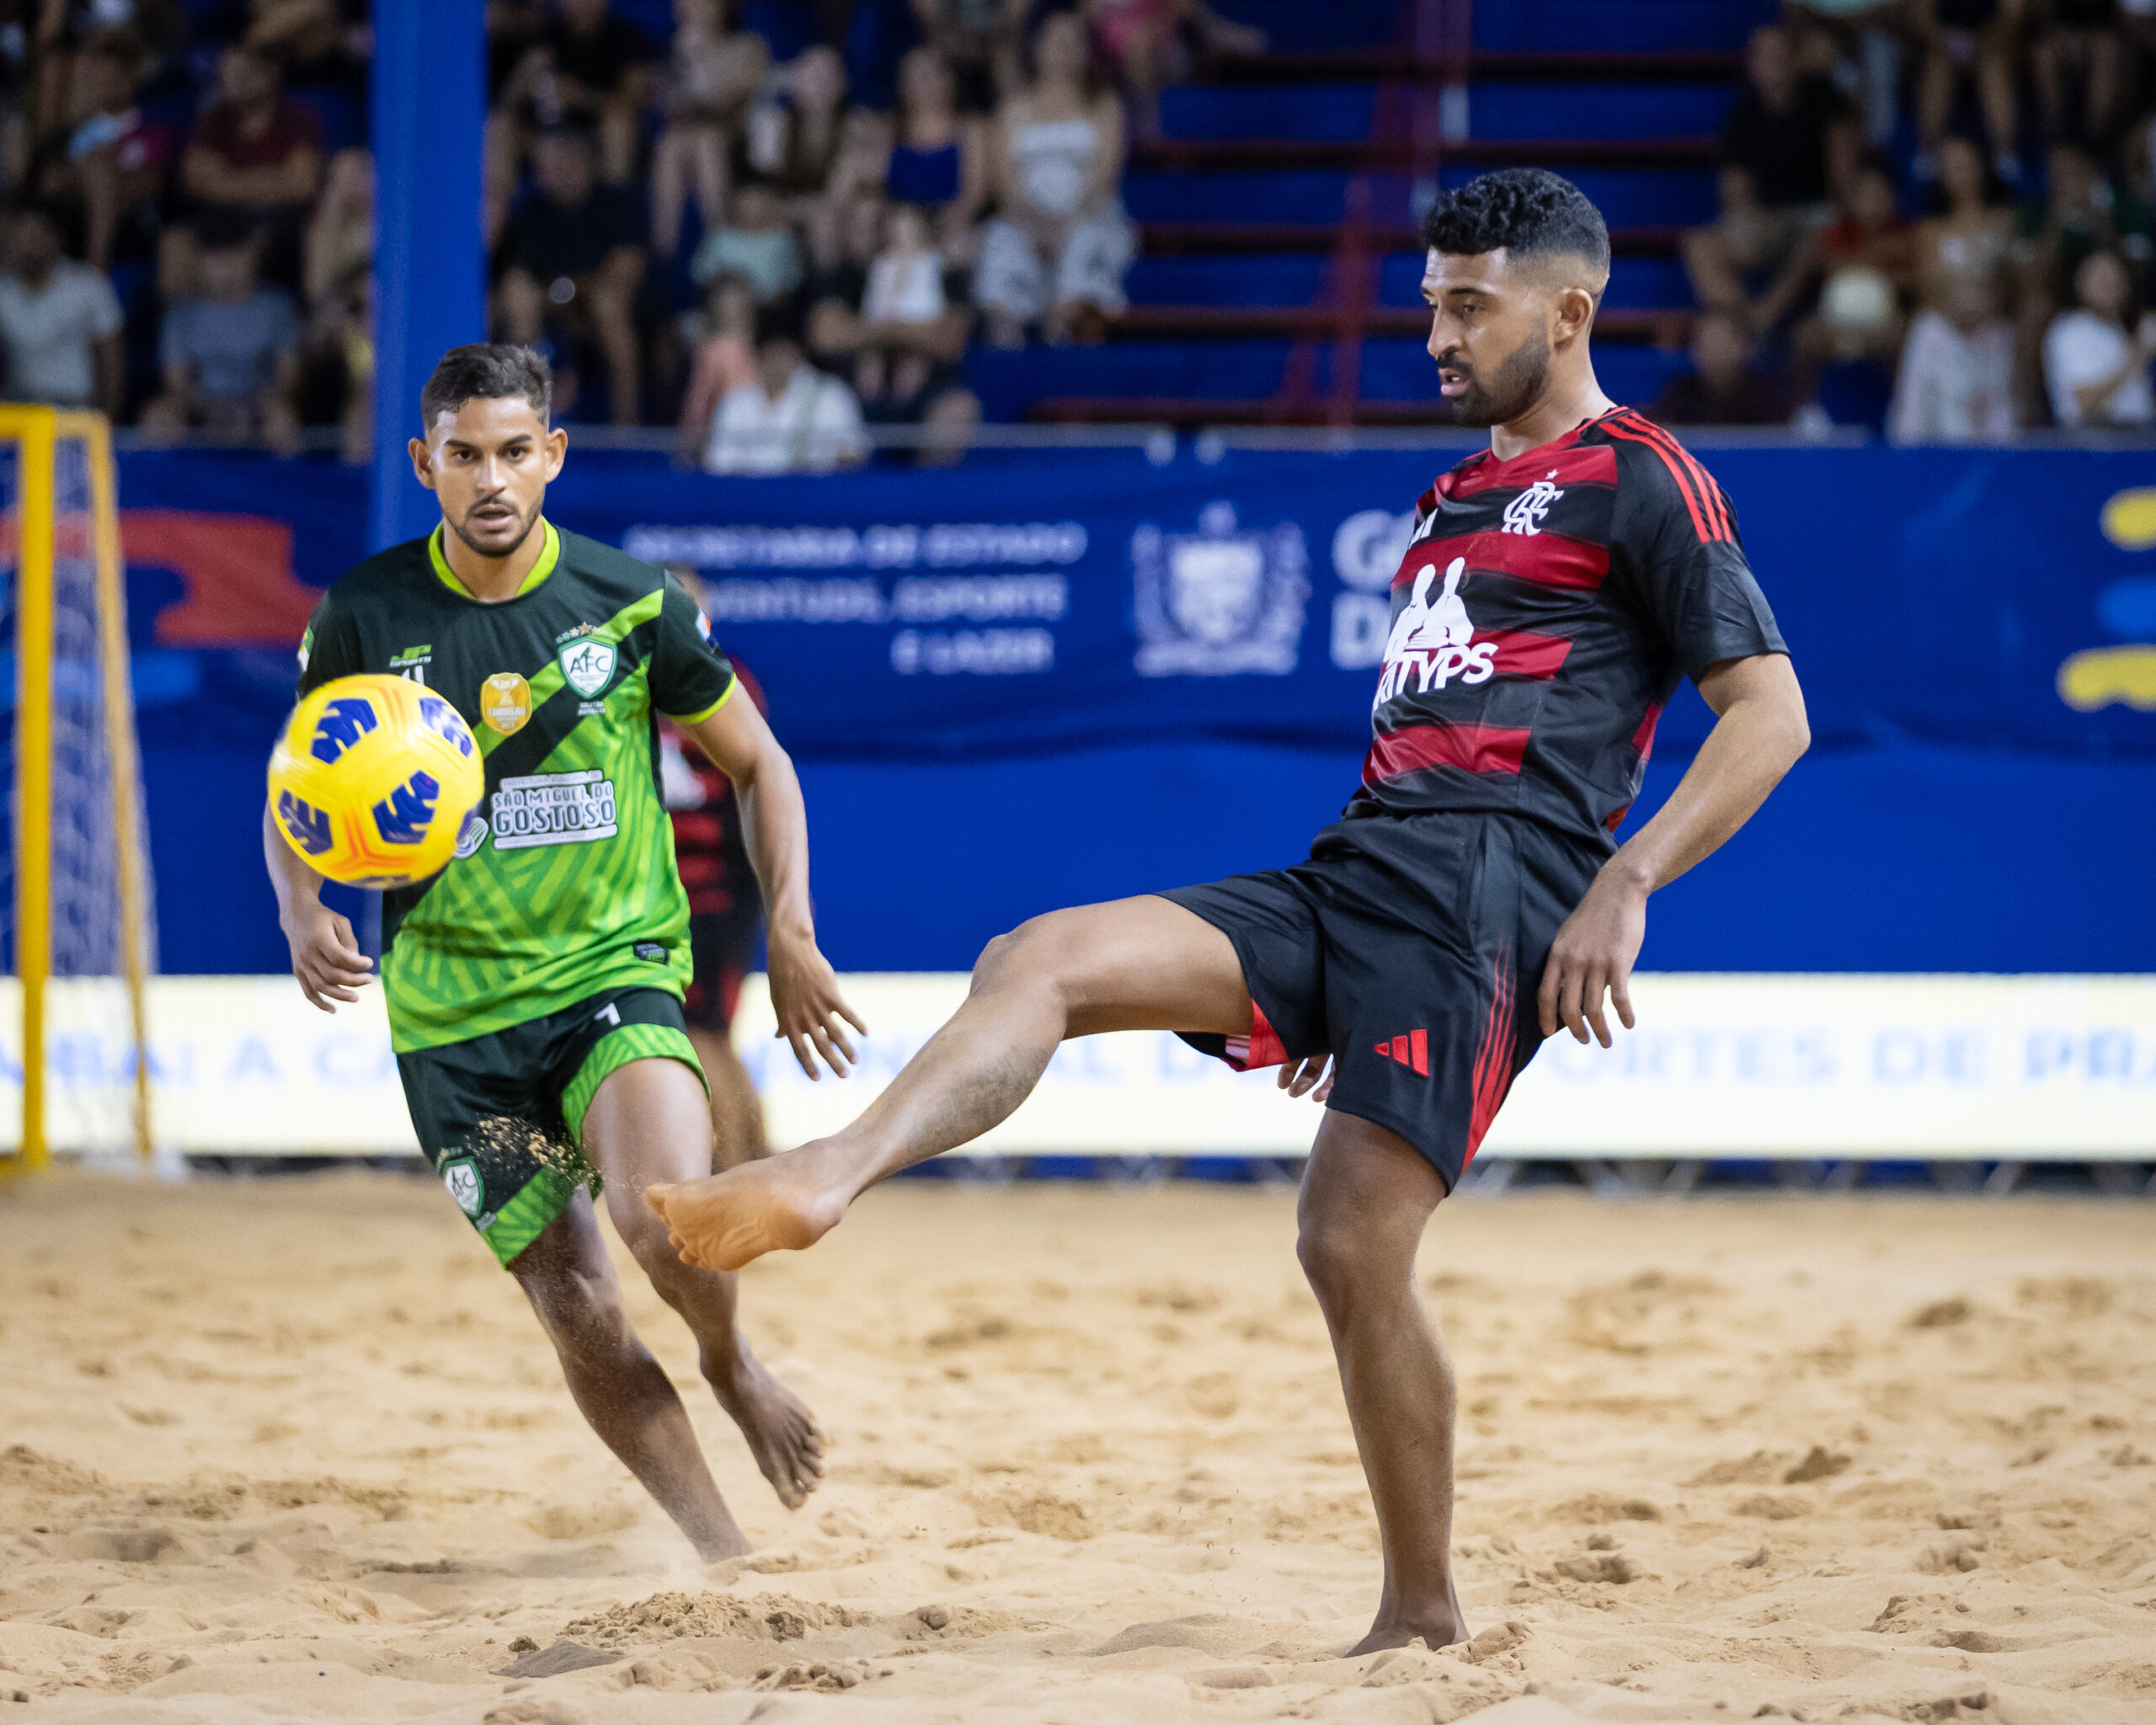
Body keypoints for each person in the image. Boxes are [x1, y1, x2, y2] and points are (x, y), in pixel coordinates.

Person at [647, 168, 1811, 1652]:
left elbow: (1771, 715)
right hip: (1364, 871)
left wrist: (1625, 881)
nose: (1438, 337)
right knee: (1038, 957)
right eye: (1430, 305)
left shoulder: (1644, 474)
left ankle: (1422, 1615)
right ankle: (831, 1171)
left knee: (1348, 1244)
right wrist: (1342, 983)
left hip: (1491, 892)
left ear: (1570, 312)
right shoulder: (1451, 495)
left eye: (1470, 307)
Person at [266, 344, 857, 1559]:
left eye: (515, 451)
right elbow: (299, 787)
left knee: (664, 1216)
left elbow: (761, 762)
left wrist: (791, 927)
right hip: (454, 1026)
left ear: (554, 456)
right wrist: (299, 904)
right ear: (424, 463)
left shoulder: (631, 601)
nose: (492, 478)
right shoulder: (364, 613)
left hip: (610, 975)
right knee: (577, 1305)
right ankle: (724, 1560)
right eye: (465, 455)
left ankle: (729, 1358)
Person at [659, 653, 773, 1162]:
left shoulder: (725, 682)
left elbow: (759, 785)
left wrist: (775, 894)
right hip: (669, 901)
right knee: (710, 1038)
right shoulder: (627, 675)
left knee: (703, 1035)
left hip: (714, 898)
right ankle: (755, 1170)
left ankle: (737, 1173)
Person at [973, 9, 1136, 347]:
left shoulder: (1105, 105)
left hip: (1088, 212)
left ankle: (1065, 338)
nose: (1066, 49)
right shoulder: (1012, 109)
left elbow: (1104, 178)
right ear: (1037, 46)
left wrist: (1066, 224)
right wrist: (1035, 224)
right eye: (1057, 40)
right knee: (1002, 245)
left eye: (1075, 41)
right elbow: (1005, 185)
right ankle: (1008, 351)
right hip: (1025, 216)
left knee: (1085, 242)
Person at [495, 127, 648, 425]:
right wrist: (556, 296)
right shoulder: (535, 212)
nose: (563, 170)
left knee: (607, 304)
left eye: (571, 160)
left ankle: (626, 424)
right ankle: (517, 415)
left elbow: (628, 271)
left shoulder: (615, 203)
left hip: (607, 308)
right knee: (517, 293)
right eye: (554, 163)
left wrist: (572, 290)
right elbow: (522, 273)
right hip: (553, 310)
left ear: (588, 161)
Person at [141, 222, 302, 450]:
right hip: (199, 409)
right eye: (216, 257)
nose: (226, 265)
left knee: (282, 420)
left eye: (235, 255)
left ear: (252, 256)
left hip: (258, 407)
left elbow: (288, 375)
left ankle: (282, 475)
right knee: (158, 418)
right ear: (201, 260)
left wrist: (251, 408)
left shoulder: (276, 306)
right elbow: (176, 383)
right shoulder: (181, 313)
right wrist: (215, 410)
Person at [648, 0, 770, 257]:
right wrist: (683, 62)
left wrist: (700, 62)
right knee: (670, 145)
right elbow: (669, 106)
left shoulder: (748, 46)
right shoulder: (676, 48)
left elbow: (729, 102)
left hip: (740, 144)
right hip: (687, 138)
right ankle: (663, 252)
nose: (698, 9)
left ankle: (720, 245)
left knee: (707, 142)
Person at [0, 202, 125, 415]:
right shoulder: (4, 290)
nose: (31, 245)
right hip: (19, 409)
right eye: (24, 236)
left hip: (76, 407)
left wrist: (108, 417)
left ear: (56, 238)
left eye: (38, 235)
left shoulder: (88, 284)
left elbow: (112, 362)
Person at [703, 312, 868, 473]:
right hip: (747, 490)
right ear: (758, 356)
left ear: (798, 353)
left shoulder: (832, 396)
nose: (776, 362)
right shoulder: (736, 402)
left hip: (813, 488)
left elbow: (853, 456)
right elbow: (718, 463)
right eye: (770, 353)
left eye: (783, 353)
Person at [1718, 23, 1851, 213]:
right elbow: (1735, 188)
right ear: (1753, 64)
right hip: (1765, 217)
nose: (1774, 61)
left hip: (1820, 212)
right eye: (1766, 54)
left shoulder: (1825, 99)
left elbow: (1843, 174)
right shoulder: (1741, 117)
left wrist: (1837, 215)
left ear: (1796, 58)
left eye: (1780, 53)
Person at [1889, 274, 2018, 439]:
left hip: (1985, 450)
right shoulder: (1928, 332)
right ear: (1951, 290)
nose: (1974, 298)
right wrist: (1909, 450)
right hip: (1931, 449)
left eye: (1983, 289)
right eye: (1968, 288)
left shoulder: (2001, 337)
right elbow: (1912, 408)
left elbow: (2004, 410)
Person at [1913, 0, 2026, 185]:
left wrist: (1983, 43)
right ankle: (1928, 150)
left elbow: (2013, 15)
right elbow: (1921, 15)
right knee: (1938, 66)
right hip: (1945, 45)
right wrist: (1945, 43)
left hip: (1991, 44)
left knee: (1992, 66)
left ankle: (2005, 151)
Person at [2044, 247, 2156, 425]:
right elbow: (2086, 404)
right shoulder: (2073, 330)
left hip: (2140, 432)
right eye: (2101, 278)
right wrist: (2137, 354)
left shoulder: (2121, 331)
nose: (2109, 284)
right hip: (2095, 434)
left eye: (2115, 277)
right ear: (2081, 283)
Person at [1646, 311, 1795, 425]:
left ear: (1746, 347)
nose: (1716, 351)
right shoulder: (1678, 394)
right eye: (1708, 342)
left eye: (1723, 342)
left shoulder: (1770, 397)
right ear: (1694, 351)